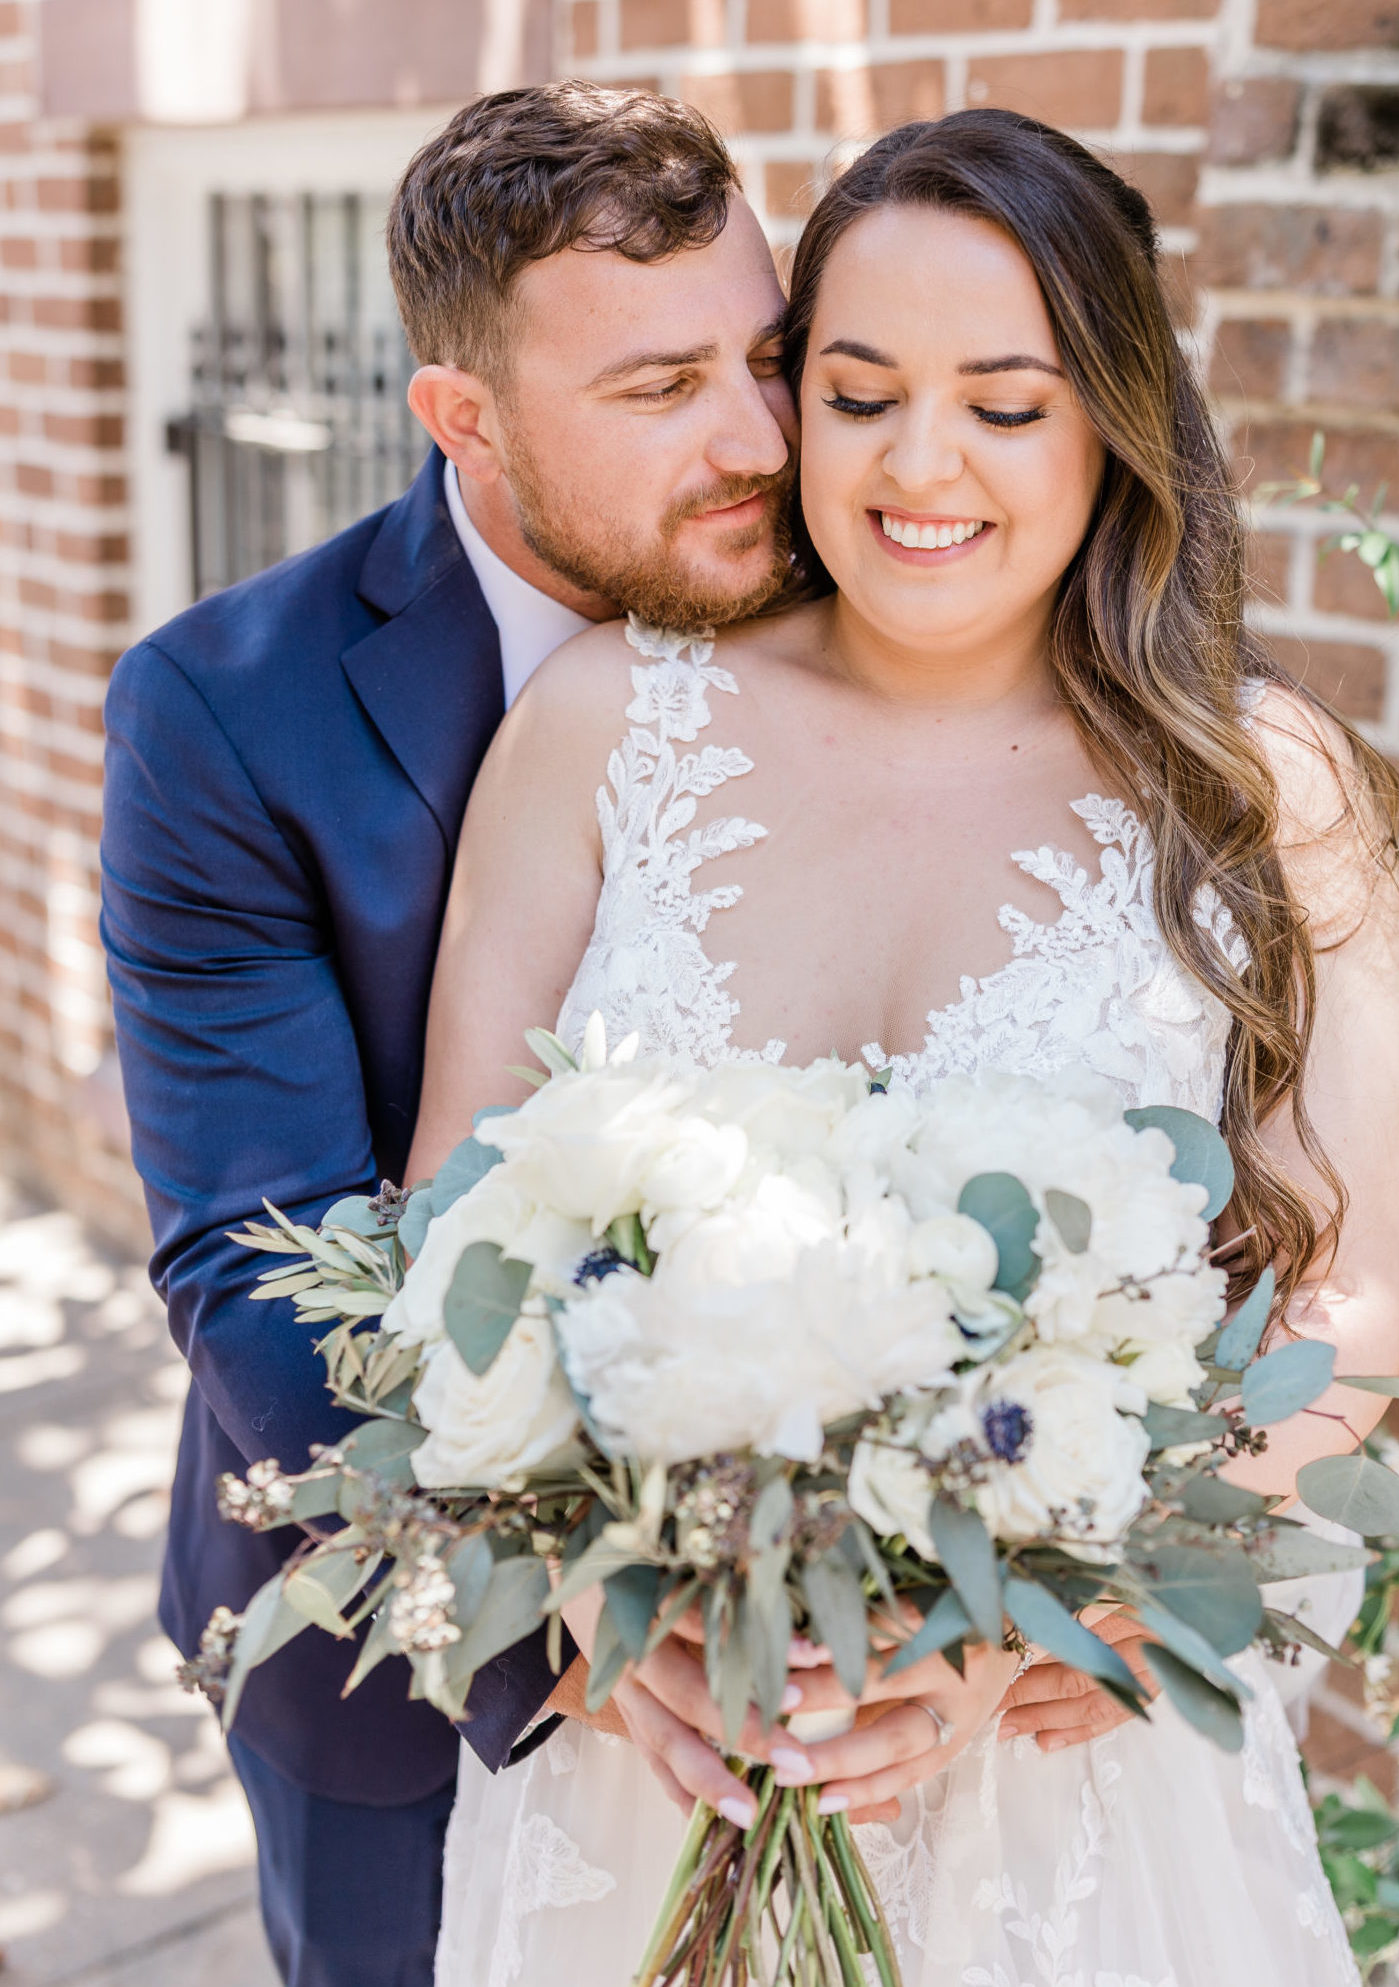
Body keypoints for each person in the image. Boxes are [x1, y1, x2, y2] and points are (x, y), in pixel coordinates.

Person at [412, 109, 1399, 1985]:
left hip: (1076, 1777)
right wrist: (592, 1601)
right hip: (654, 1765)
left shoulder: (1260, 788)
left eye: (1008, 403)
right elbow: (455, 1230)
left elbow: (1350, 1290)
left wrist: (1070, 1615)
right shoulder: (602, 725)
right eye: (859, 393)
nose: (920, 464)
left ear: (1114, 415)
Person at [100, 83, 814, 1987]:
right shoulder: (224, 715)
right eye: (661, 392)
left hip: (849, 1648)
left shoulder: (877, 588)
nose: (760, 441)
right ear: (463, 420)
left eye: (770, 355)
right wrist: (578, 1602)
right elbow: (261, 1258)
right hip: (398, 1662)